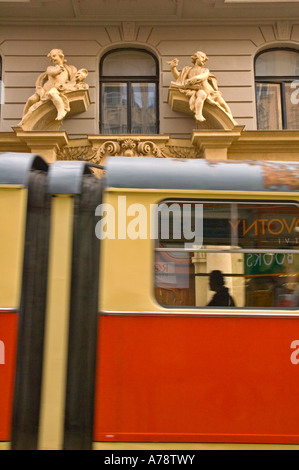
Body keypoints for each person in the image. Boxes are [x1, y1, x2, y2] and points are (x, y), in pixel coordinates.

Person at [168, 51, 236, 124]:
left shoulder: (205, 70)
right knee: (202, 94)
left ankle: (231, 120)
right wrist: (173, 68)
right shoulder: (188, 69)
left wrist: (194, 79)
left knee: (222, 102)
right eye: (203, 57)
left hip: (209, 91)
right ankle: (198, 114)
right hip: (198, 89)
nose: (204, 60)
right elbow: (179, 78)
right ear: (196, 57)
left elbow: (203, 76)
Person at [22, 48, 77, 122]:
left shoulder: (69, 69)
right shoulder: (51, 68)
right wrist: (58, 70)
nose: (52, 59)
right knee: (31, 99)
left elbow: (75, 78)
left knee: (52, 93)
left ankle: (61, 111)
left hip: (57, 88)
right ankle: (24, 119)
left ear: (60, 56)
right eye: (51, 57)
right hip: (44, 91)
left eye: (54, 56)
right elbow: (51, 72)